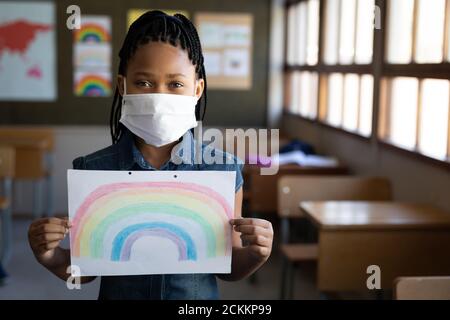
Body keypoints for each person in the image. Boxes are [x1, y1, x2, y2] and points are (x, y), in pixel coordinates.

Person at [28, 10, 273, 299]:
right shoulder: (93, 171)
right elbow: (86, 270)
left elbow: (227, 266)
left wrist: (257, 254)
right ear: (123, 86)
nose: (160, 96)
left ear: (197, 89)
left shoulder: (222, 170)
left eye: (175, 84)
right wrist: (50, 256)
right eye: (144, 83)